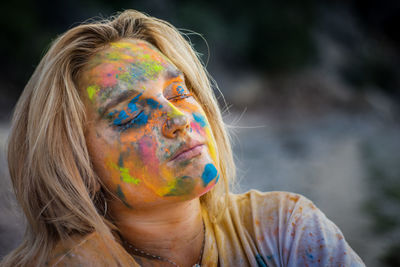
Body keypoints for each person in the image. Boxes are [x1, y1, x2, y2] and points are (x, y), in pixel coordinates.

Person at [1, 10, 364, 267]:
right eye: (131, 115)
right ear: (73, 161)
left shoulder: (286, 229)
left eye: (177, 92)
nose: (176, 118)